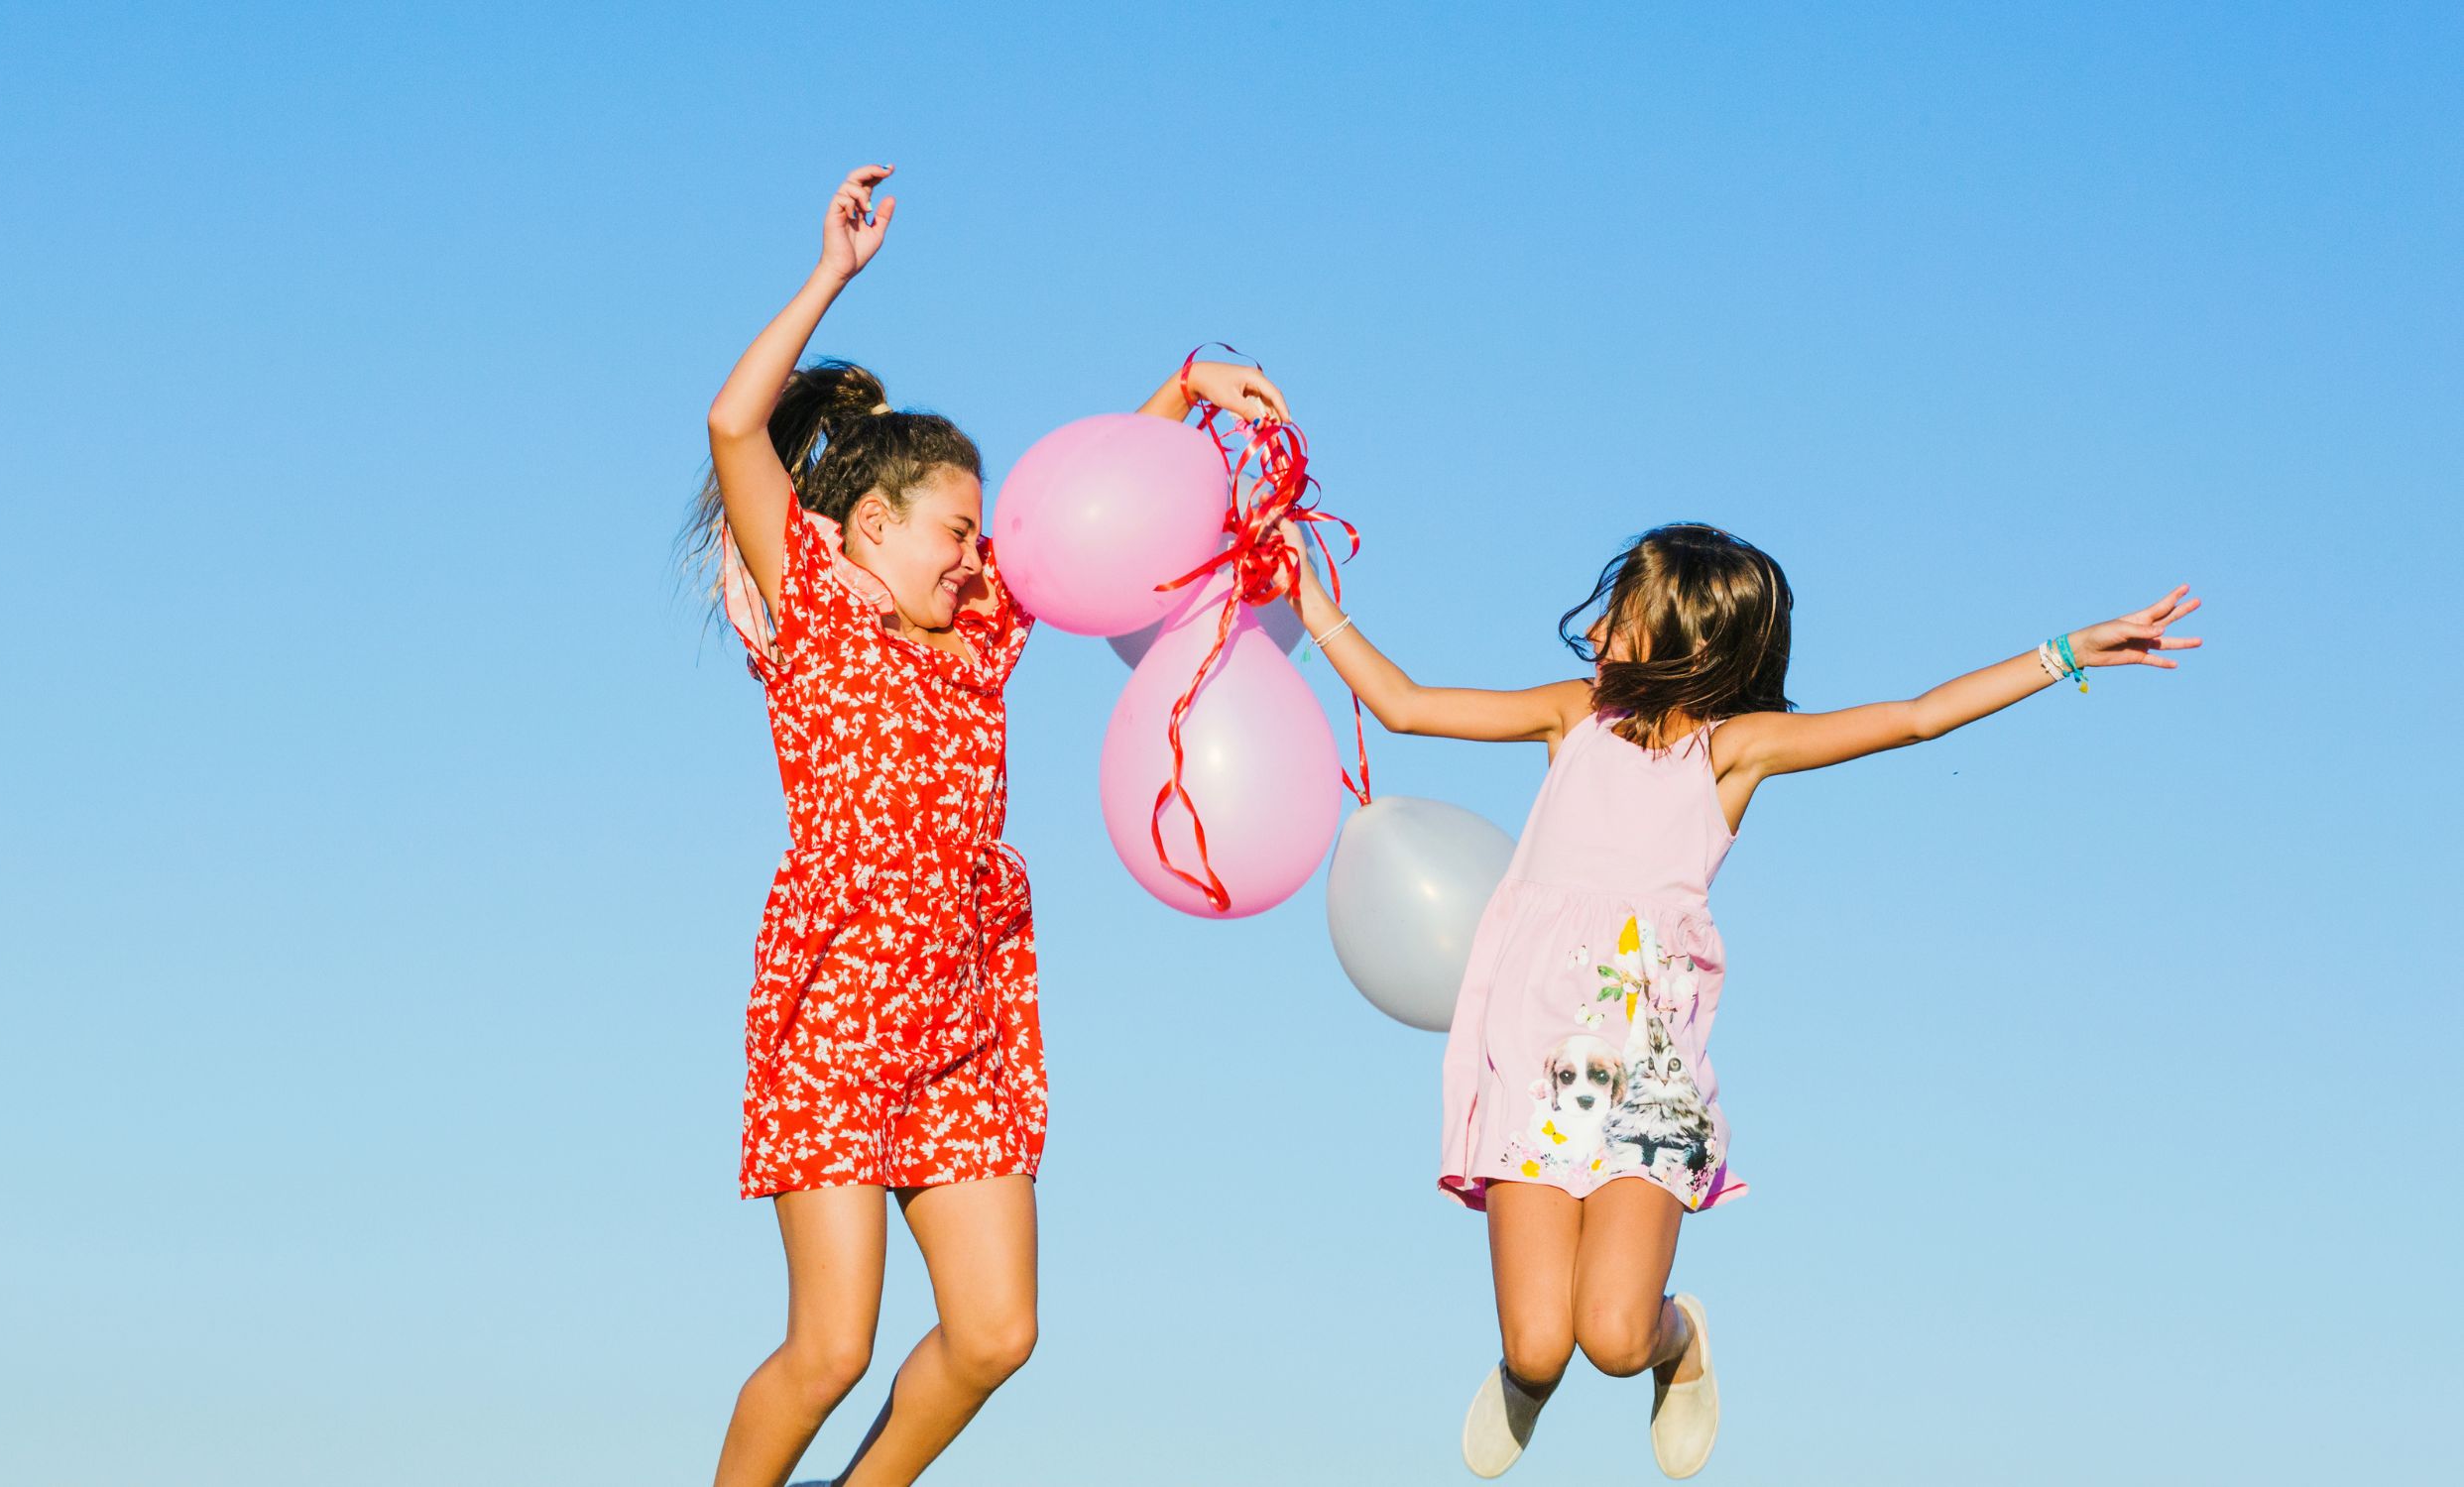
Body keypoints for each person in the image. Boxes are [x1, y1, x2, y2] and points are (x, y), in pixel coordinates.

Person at [1282, 519, 2199, 1478]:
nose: (1598, 625)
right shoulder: (1572, 716)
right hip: (1535, 1062)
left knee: (1614, 1338)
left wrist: (2065, 654)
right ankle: (1524, 1372)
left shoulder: (1734, 751)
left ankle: (1677, 1342)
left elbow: (1917, 716)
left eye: (1624, 612)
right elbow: (1403, 705)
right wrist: (1308, 590)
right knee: (1540, 1349)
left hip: (1648, 1080)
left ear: (1686, 636)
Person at [685, 163, 1287, 1487]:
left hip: (966, 1010)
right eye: (954, 531)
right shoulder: (818, 617)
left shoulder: (980, 637)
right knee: (830, 1349)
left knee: (997, 1332)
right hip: (840, 1000)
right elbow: (736, 426)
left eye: (980, 536)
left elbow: (1088, 522)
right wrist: (832, 272)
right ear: (865, 529)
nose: (975, 556)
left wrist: (1183, 392)